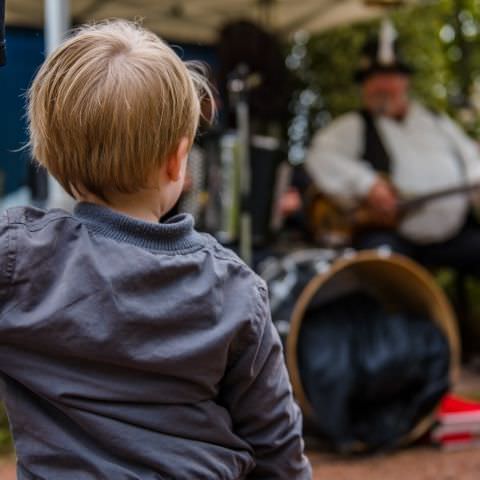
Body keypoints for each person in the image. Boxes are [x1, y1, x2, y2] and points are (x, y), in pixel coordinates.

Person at [0, 21, 311, 479]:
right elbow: (277, 448)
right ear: (177, 159)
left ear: (49, 154)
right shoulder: (233, 287)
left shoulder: (19, 259)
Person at [305, 22, 480, 272]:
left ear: (405, 81)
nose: (380, 86)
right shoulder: (354, 126)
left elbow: (471, 158)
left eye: (388, 77)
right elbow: (320, 156)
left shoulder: (437, 120)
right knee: (382, 267)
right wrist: (368, 185)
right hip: (395, 238)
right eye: (372, 79)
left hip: (455, 235)